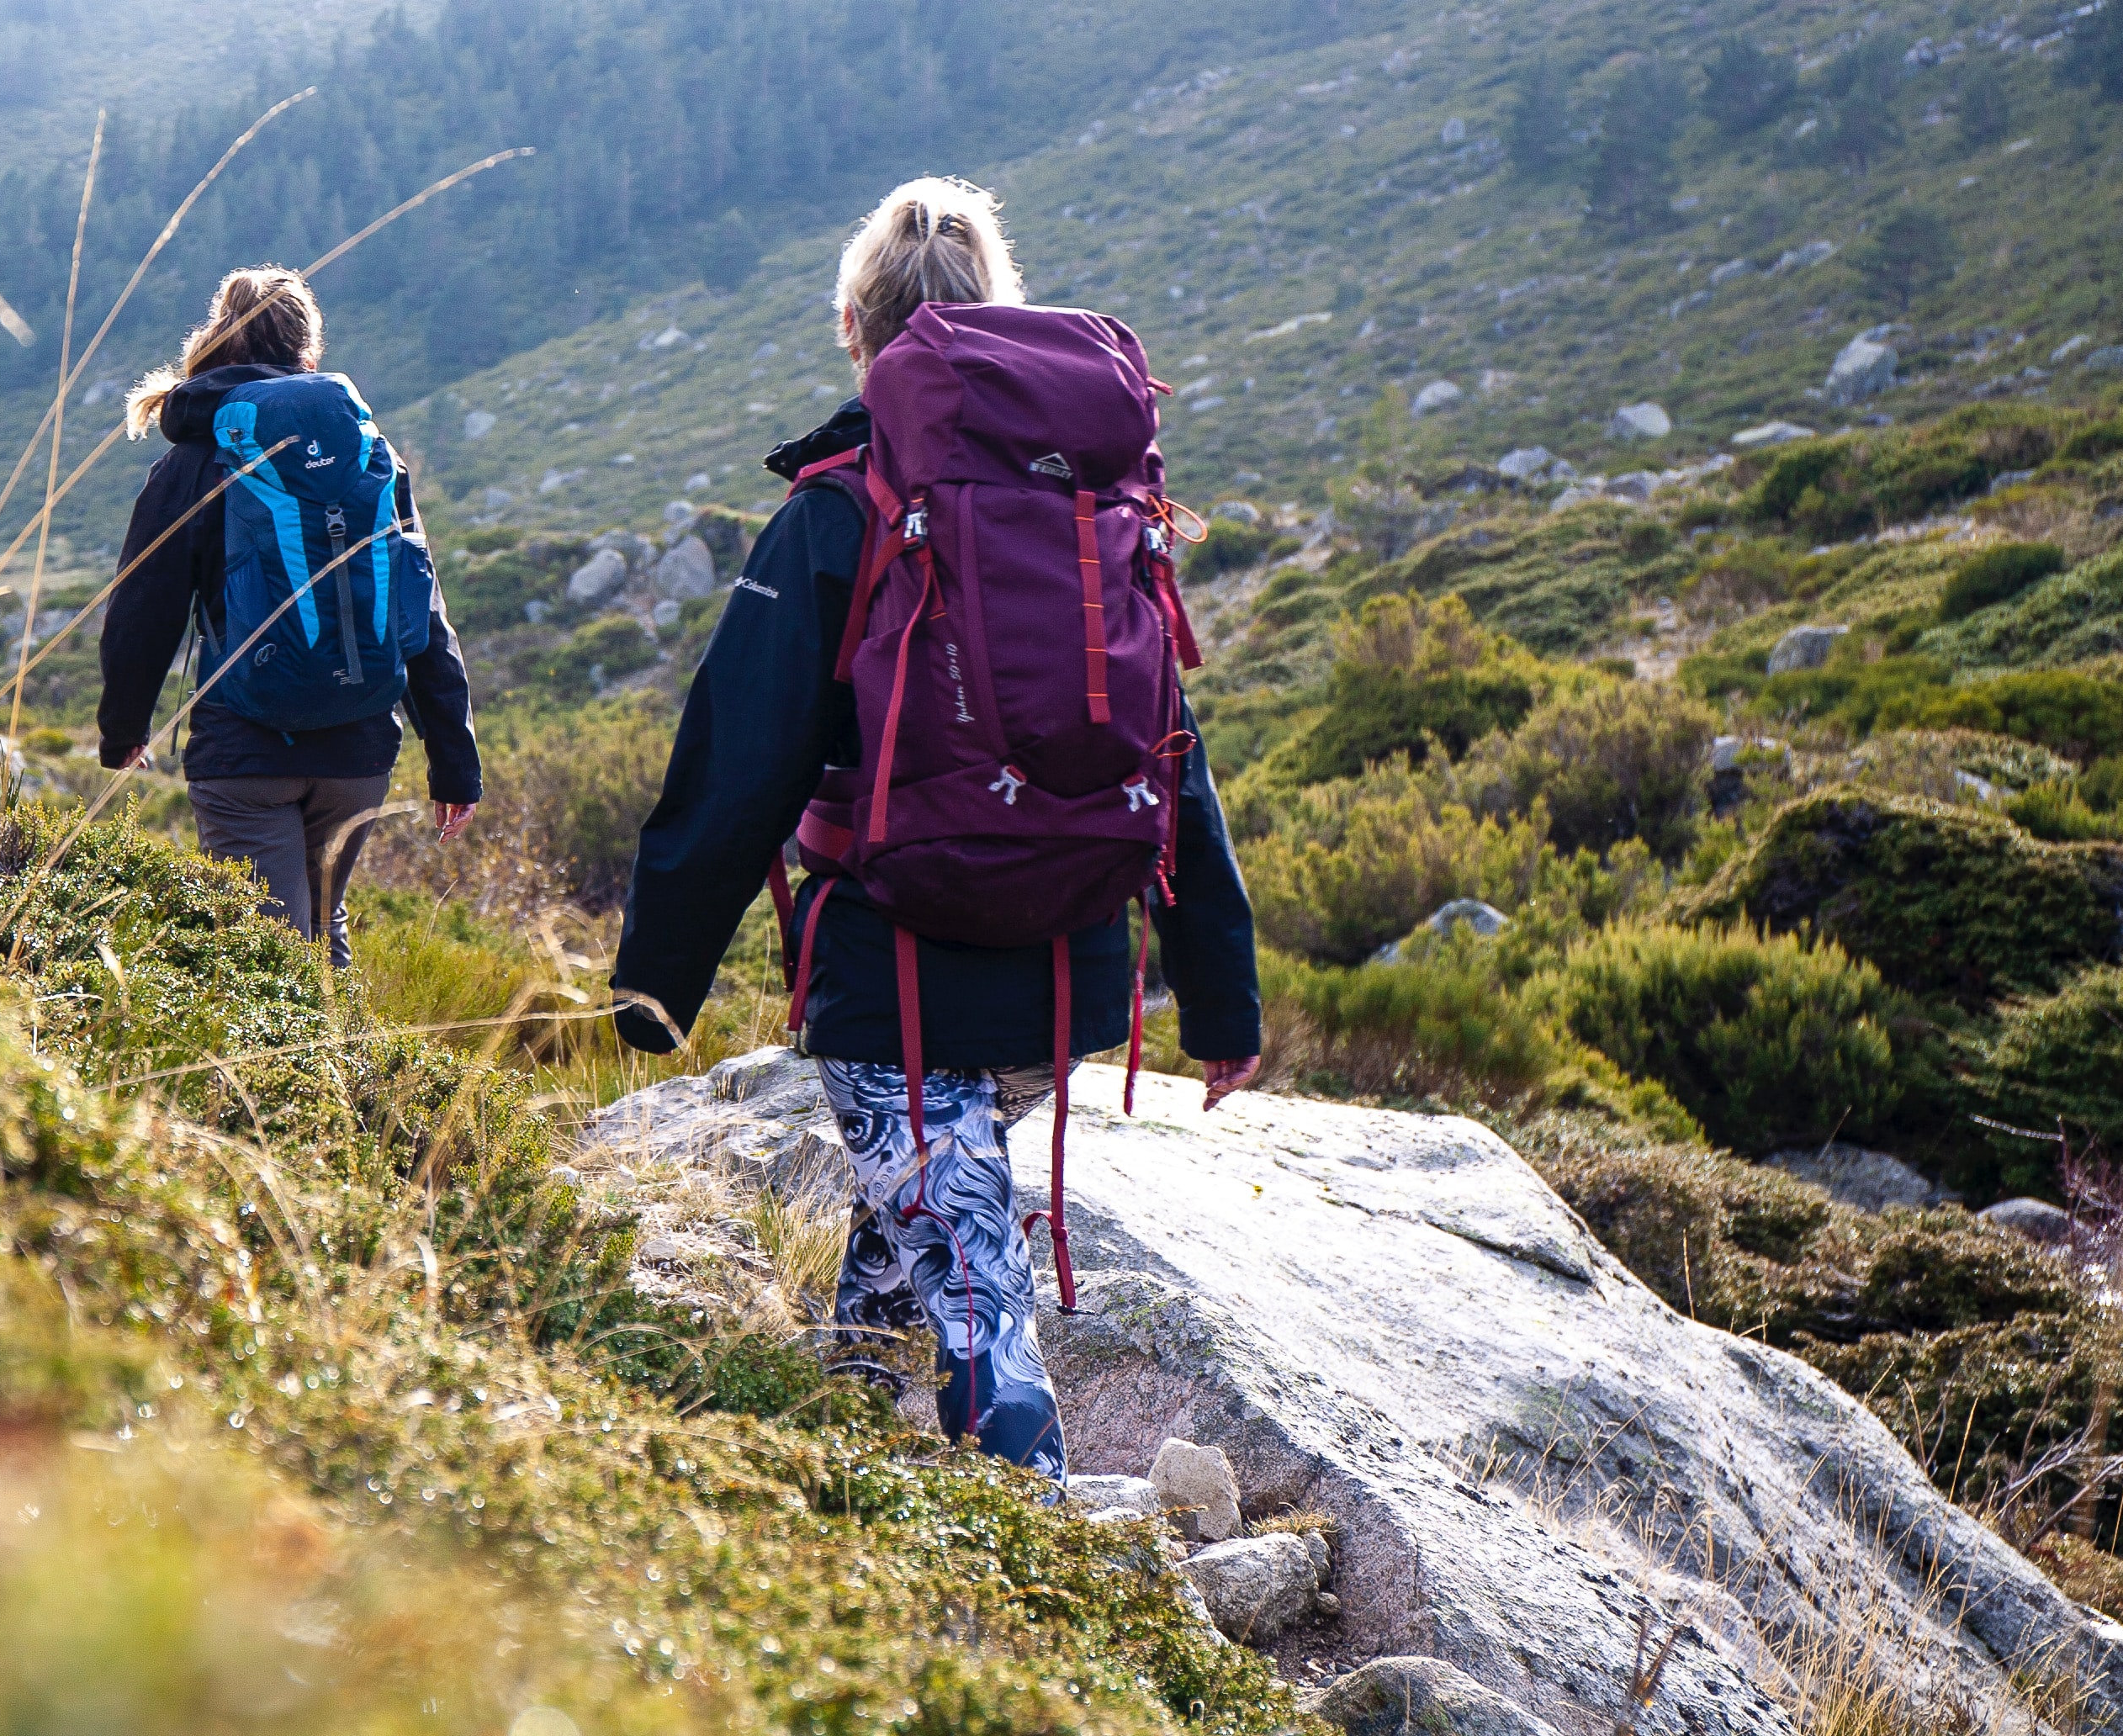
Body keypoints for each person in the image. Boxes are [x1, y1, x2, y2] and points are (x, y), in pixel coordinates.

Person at [607, 177, 1262, 1483]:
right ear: (997, 321)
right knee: (935, 1188)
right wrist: (1221, 997)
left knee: (971, 1263)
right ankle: (856, 1403)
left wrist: (654, 986)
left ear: (857, 328)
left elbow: (737, 765)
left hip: (895, 971)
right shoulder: (1091, 505)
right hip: (1067, 971)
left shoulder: (842, 511)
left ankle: (1041, 1549)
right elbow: (1170, 749)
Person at [98, 266, 482, 965]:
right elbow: (418, 604)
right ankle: (347, 1073)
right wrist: (454, 762)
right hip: (360, 745)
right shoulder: (367, 455)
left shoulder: (195, 460)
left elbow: (143, 607)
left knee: (266, 954)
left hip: (244, 748)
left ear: (217, 339)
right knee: (319, 928)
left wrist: (124, 727)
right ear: (311, 351)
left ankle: (285, 1076)